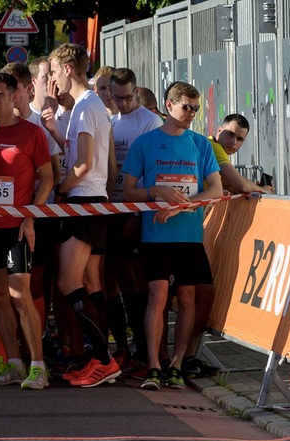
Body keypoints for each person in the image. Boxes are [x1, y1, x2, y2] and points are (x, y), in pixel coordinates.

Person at [121, 81, 222, 391]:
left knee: (188, 298)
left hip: (189, 235)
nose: (191, 113)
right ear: (169, 105)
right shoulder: (145, 143)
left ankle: (177, 364)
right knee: (158, 296)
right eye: (185, 107)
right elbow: (128, 191)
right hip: (155, 235)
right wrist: (156, 191)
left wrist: (180, 206)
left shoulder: (200, 144)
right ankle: (154, 364)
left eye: (195, 108)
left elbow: (216, 190)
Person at [0, 72, 54, 390]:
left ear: (15, 95)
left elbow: (48, 178)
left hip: (17, 229)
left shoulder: (32, 133)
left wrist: (31, 216)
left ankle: (38, 366)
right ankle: (14, 363)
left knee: (21, 296)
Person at [48, 43, 120, 388]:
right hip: (93, 200)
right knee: (91, 285)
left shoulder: (86, 106)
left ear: (66, 69)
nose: (52, 82)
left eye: (52, 73)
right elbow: (92, 157)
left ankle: (104, 360)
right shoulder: (89, 105)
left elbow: (85, 163)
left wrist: (62, 187)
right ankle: (100, 359)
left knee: (67, 282)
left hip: (84, 202)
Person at [182, 113, 273, 380]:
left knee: (197, 298)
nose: (233, 142)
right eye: (230, 134)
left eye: (240, 139)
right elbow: (235, 183)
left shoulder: (212, 147)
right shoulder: (213, 147)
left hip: (194, 234)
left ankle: (185, 359)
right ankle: (179, 361)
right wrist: (260, 190)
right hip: (185, 234)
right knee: (193, 298)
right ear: (217, 130)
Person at [103, 68, 163, 370]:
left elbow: (151, 170)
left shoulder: (150, 122)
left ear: (136, 92)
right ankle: (124, 345)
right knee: (110, 277)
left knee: (135, 279)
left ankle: (143, 345)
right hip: (109, 208)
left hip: (134, 210)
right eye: (117, 97)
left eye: (127, 98)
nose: (122, 103)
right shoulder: (111, 120)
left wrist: (137, 215)